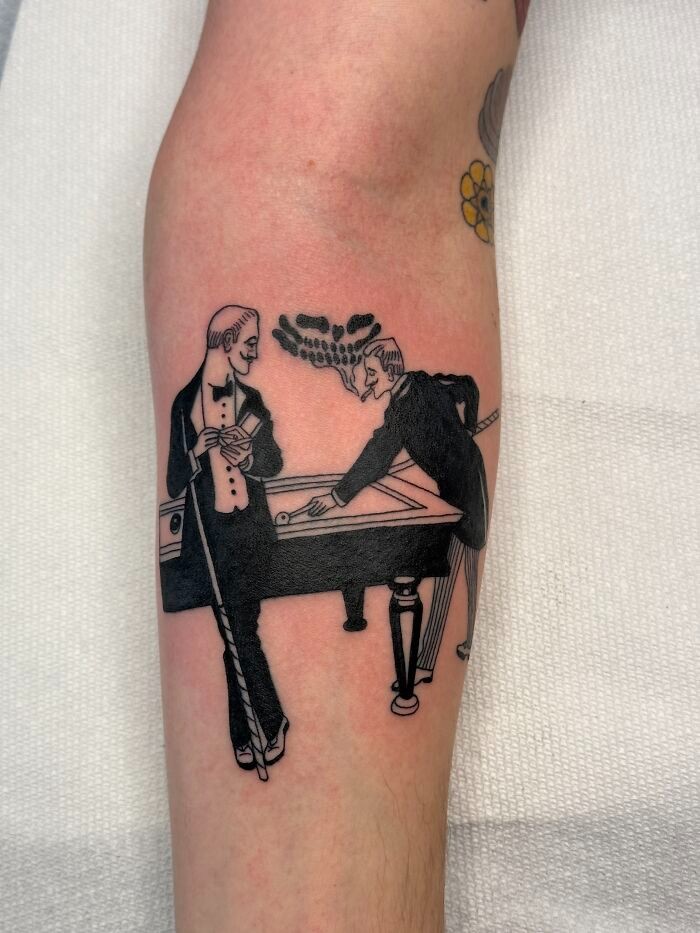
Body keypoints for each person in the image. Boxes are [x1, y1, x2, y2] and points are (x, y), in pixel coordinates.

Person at [306, 338, 489, 677]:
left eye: (372, 373)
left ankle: (441, 655)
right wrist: (336, 496)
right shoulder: (403, 402)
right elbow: (377, 456)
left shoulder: (420, 391)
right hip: (449, 485)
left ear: (391, 372)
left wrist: (470, 427)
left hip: (467, 479)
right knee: (450, 565)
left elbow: (467, 386)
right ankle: (428, 661)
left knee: (466, 559)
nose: (368, 380)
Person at [165, 304, 289, 770]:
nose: (255, 353)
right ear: (225, 343)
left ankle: (252, 730)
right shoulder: (184, 405)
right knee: (237, 633)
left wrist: (250, 456)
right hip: (211, 538)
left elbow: (274, 462)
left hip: (250, 533)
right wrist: (197, 451)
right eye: (250, 344)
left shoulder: (252, 401)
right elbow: (174, 481)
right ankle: (266, 724)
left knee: (240, 632)